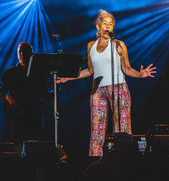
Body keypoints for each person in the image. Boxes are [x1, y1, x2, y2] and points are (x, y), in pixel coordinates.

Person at [57, 9, 156, 158]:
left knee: (121, 130)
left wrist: (140, 74)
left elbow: (127, 68)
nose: (108, 26)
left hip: (119, 88)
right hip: (97, 90)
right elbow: (90, 71)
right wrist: (69, 77)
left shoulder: (118, 45)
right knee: (97, 130)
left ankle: (123, 161)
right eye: (105, 23)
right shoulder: (91, 46)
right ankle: (95, 163)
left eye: (111, 24)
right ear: (98, 26)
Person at [0, 42, 51, 143]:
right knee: (18, 143)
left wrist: (56, 88)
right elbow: (2, 92)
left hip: (34, 114)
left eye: (26, 51)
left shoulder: (39, 74)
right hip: (17, 114)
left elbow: (44, 95)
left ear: (32, 54)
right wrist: (8, 98)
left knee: (36, 143)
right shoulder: (9, 73)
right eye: (20, 51)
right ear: (17, 54)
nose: (23, 54)